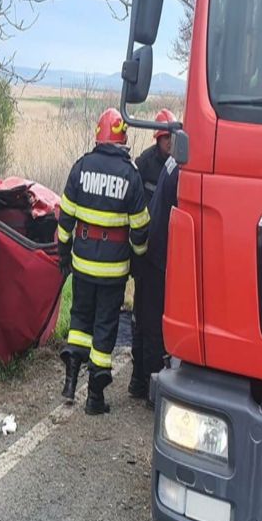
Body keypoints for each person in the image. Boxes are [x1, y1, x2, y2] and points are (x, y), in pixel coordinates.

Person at [58, 108, 150, 415]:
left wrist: (63, 254)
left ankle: (70, 383)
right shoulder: (130, 175)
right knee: (104, 327)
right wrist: (139, 260)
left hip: (82, 264)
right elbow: (140, 228)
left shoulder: (81, 167)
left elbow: (65, 217)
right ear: (122, 138)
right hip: (113, 271)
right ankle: (94, 398)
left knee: (79, 321)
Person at [129, 109, 177, 399]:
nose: (169, 143)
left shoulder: (175, 166)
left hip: (165, 254)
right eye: (164, 138)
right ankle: (141, 382)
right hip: (146, 254)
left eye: (172, 138)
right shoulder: (143, 164)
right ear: (157, 139)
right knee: (144, 320)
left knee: (155, 319)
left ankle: (148, 380)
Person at [138, 152, 181, 408]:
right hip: (161, 256)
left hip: (152, 250)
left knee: (145, 320)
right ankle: (151, 391)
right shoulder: (179, 170)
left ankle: (140, 382)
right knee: (154, 325)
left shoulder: (173, 161)